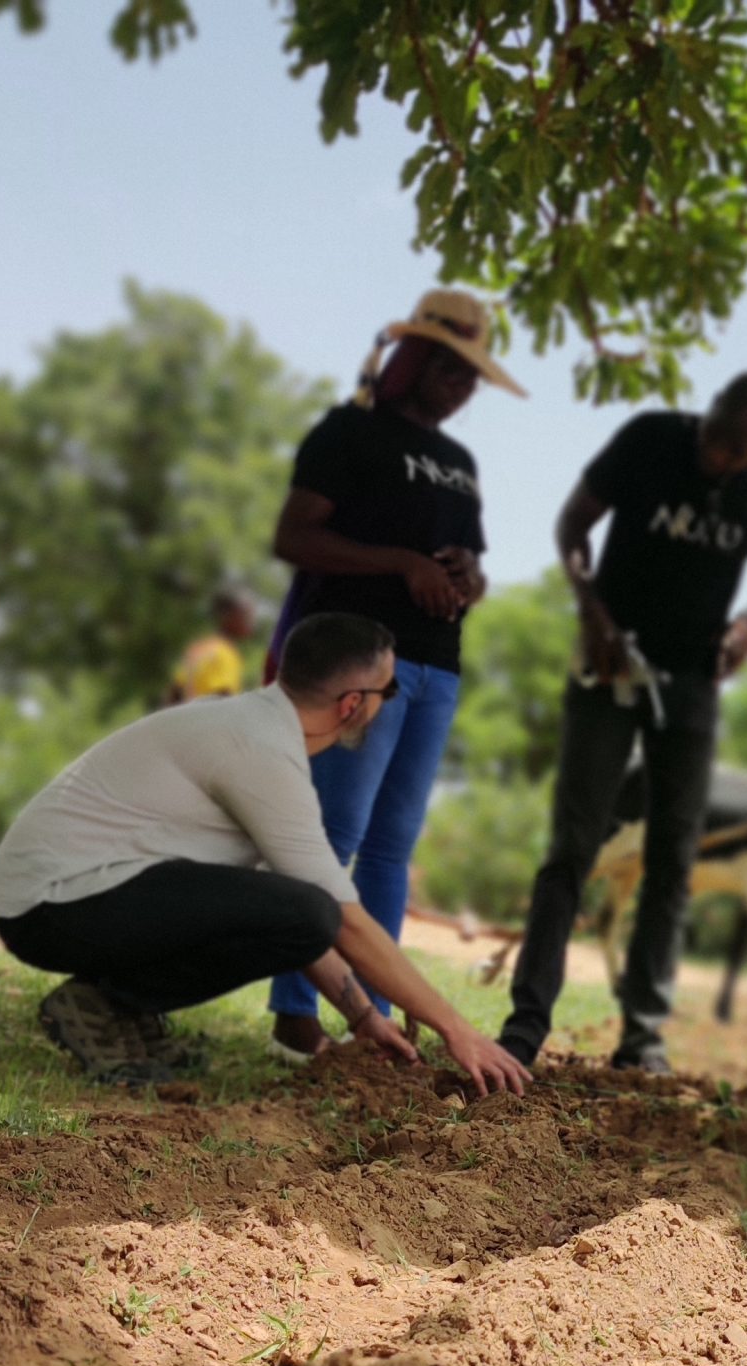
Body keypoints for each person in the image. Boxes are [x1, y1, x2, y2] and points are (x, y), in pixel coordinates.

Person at [0, 610, 531, 1097]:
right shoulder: (258, 750)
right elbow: (340, 922)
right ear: (352, 705)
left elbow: (288, 912)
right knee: (314, 912)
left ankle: (122, 1010)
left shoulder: (259, 730)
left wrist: (363, 1018)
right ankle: (104, 1005)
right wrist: (458, 1029)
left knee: (301, 911)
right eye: (388, 693)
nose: (388, 706)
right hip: (51, 907)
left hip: (68, 898)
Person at [499, 373, 747, 1073]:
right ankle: (525, 1026)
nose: (719, 459)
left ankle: (643, 1037)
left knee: (675, 854)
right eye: (716, 440)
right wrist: (589, 607)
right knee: (573, 846)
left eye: (738, 452)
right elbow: (574, 523)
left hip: (693, 683)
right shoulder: (650, 438)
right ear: (709, 411)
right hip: (610, 668)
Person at [261, 289, 525, 1066]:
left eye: (472, 375)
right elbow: (294, 536)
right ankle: (292, 1010)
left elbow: (465, 560)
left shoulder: (460, 463)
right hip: (355, 662)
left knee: (389, 849)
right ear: (410, 363)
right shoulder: (348, 432)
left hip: (437, 666)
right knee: (331, 835)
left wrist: (467, 577)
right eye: (450, 368)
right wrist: (400, 564)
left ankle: (372, 1019)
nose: (463, 386)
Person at [163, 589, 256, 706]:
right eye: (246, 614)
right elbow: (223, 697)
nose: (250, 621)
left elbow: (174, 693)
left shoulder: (199, 647)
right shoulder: (226, 654)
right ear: (228, 616)